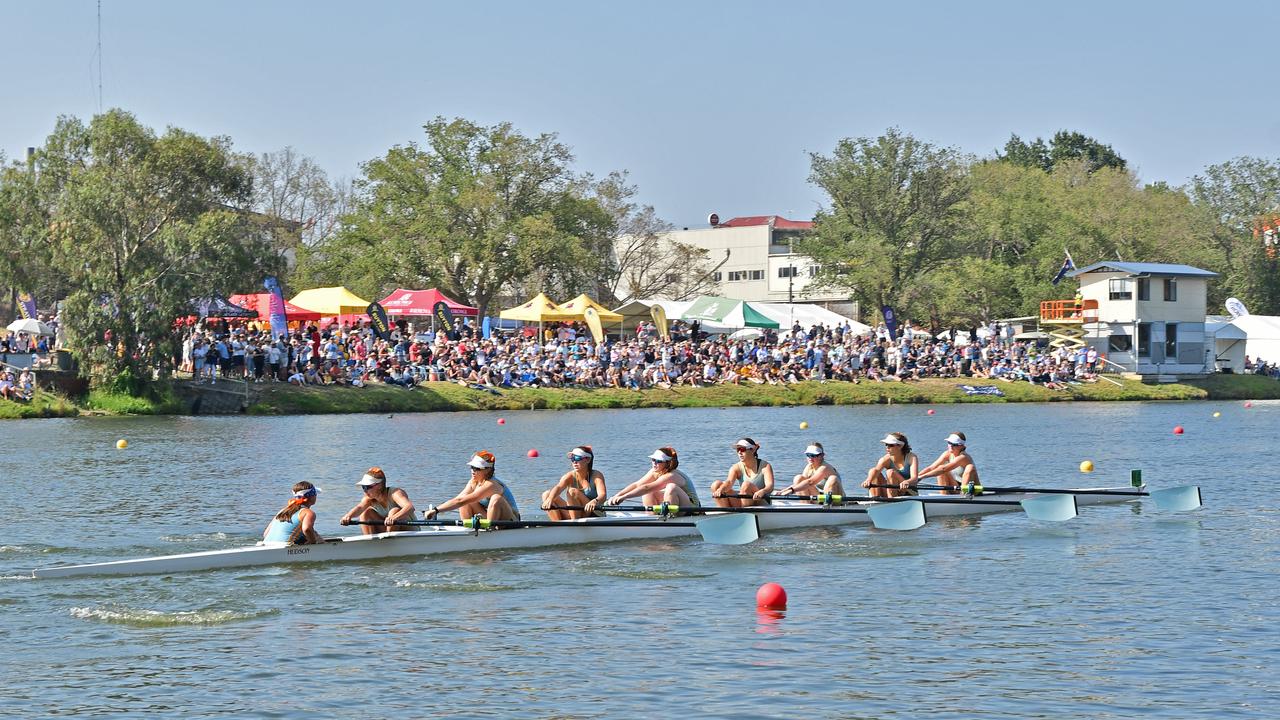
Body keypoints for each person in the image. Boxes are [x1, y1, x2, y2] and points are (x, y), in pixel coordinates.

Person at [425, 451, 520, 523]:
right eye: (472, 467)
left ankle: (490, 531)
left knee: (496, 498)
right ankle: (468, 530)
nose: (473, 471)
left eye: (477, 468)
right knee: (466, 501)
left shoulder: (491, 484)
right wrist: (435, 510)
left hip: (512, 520)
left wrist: (436, 510)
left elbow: (459, 502)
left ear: (488, 470)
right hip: (493, 518)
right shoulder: (473, 482)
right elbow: (458, 499)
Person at [606, 447, 701, 512]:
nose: (655, 463)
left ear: (668, 463)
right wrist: (617, 496)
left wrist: (624, 497)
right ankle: (652, 517)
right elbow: (637, 485)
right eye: (653, 460)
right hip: (676, 505)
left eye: (659, 461)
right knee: (647, 492)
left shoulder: (672, 475)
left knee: (671, 488)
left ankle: (670, 518)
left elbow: (647, 487)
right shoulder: (655, 471)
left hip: (691, 509)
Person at [339, 467, 417, 533]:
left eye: (367, 487)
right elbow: (359, 508)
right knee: (365, 513)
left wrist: (394, 518)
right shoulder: (368, 498)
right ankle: (371, 544)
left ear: (379, 485)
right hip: (388, 529)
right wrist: (348, 516)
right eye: (363, 487)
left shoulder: (395, 493)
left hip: (409, 530)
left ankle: (389, 543)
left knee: (394, 511)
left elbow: (410, 507)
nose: (365, 490)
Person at [541, 446, 608, 520]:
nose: (574, 462)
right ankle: (557, 526)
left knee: (572, 491)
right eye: (572, 459)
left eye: (577, 458)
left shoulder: (596, 475)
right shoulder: (570, 475)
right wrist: (550, 499)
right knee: (546, 495)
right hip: (577, 512)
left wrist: (595, 501)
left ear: (588, 460)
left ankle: (573, 524)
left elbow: (603, 495)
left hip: (593, 512)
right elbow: (559, 487)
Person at [904, 432, 979, 494]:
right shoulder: (947, 454)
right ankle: (944, 498)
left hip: (972, 489)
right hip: (956, 487)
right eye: (949, 443)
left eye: (954, 444)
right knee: (941, 472)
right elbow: (931, 468)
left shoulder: (964, 457)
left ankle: (964, 496)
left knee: (969, 467)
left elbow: (943, 469)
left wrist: (921, 477)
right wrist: (913, 479)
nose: (951, 446)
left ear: (962, 446)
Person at [710, 437, 774, 507]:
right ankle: (724, 514)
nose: (739, 452)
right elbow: (729, 482)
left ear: (752, 450)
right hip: (745, 500)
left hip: (761, 501)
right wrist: (720, 490)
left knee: (746, 485)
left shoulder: (765, 466)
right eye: (738, 450)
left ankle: (743, 515)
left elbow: (770, 486)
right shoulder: (736, 467)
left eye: (742, 449)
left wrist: (762, 491)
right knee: (716, 485)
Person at [777, 442, 843, 501]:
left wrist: (791, 491)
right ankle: (805, 506)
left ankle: (828, 508)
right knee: (799, 478)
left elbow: (810, 482)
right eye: (808, 455)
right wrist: (783, 491)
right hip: (821, 497)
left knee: (833, 478)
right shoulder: (809, 466)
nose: (810, 458)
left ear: (822, 455)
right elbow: (800, 484)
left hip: (836, 499)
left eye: (813, 455)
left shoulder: (825, 467)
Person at [862, 432, 918, 498]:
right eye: (886, 444)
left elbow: (914, 478)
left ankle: (892, 500)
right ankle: (876, 499)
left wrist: (906, 482)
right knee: (873, 472)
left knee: (890, 472)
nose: (887, 447)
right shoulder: (885, 459)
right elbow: (876, 470)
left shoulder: (911, 457)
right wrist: (868, 480)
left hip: (908, 491)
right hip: (892, 490)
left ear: (900, 446)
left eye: (891, 445)